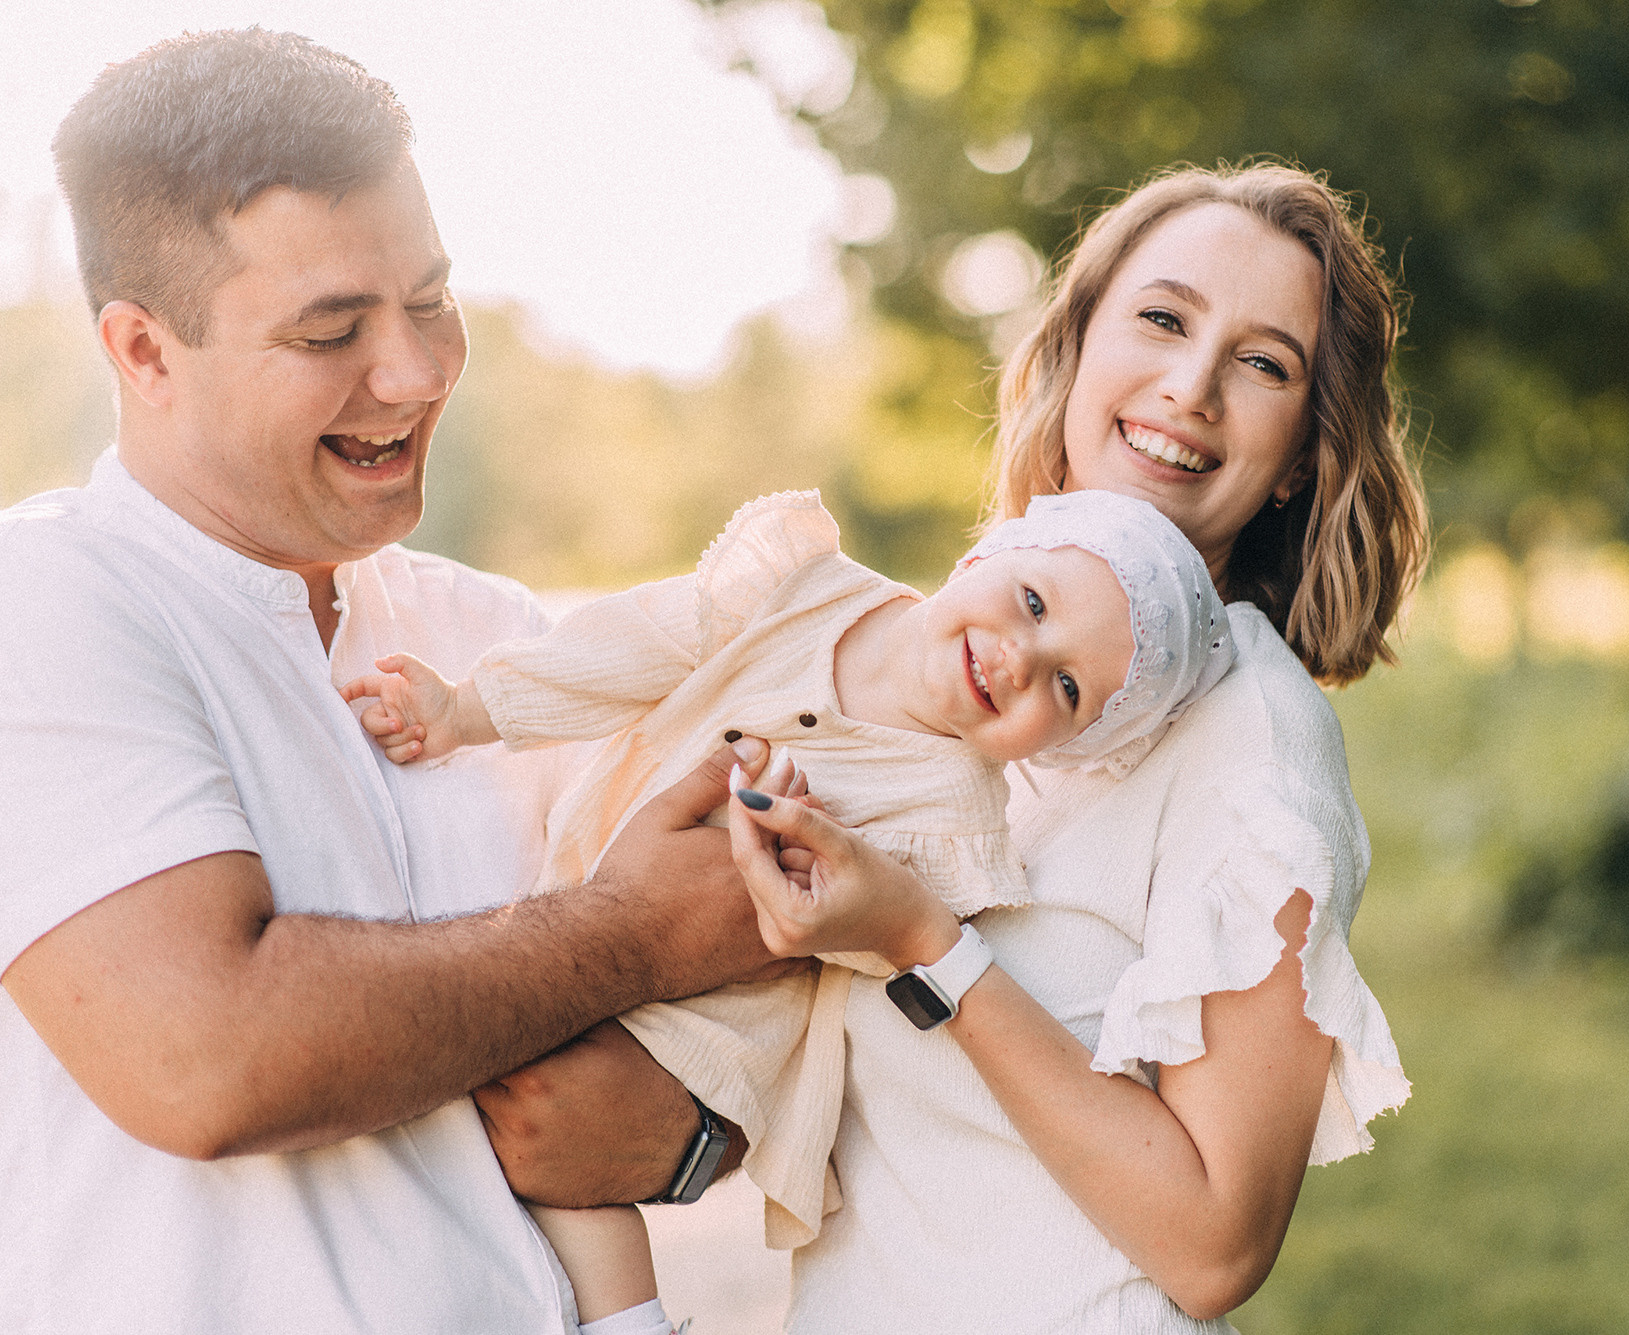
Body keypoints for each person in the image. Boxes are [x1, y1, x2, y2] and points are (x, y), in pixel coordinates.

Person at [0, 30, 781, 1335]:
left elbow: (738, 1011)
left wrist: (696, 1135)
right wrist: (635, 931)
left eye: (428, 297)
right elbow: (207, 1056)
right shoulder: (47, 603)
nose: (416, 372)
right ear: (142, 351)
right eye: (331, 330)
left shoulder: (499, 635)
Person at [706, 162, 1430, 1332]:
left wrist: (920, 943)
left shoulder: (1253, 750)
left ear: (1300, 453)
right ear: (1078, 344)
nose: (1190, 386)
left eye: (1261, 364)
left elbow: (1212, 1248)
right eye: (1160, 318)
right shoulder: (967, 658)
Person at [340, 485, 1235, 1324]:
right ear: (987, 556)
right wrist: (471, 706)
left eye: (1066, 688)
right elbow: (638, 641)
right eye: (1034, 604)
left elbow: (848, 946)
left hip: (715, 1017)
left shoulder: (956, 826)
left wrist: (802, 862)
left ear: (1065, 746)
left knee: (562, 1161)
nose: (1017, 659)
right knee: (464, 1038)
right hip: (585, 877)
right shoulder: (804, 586)